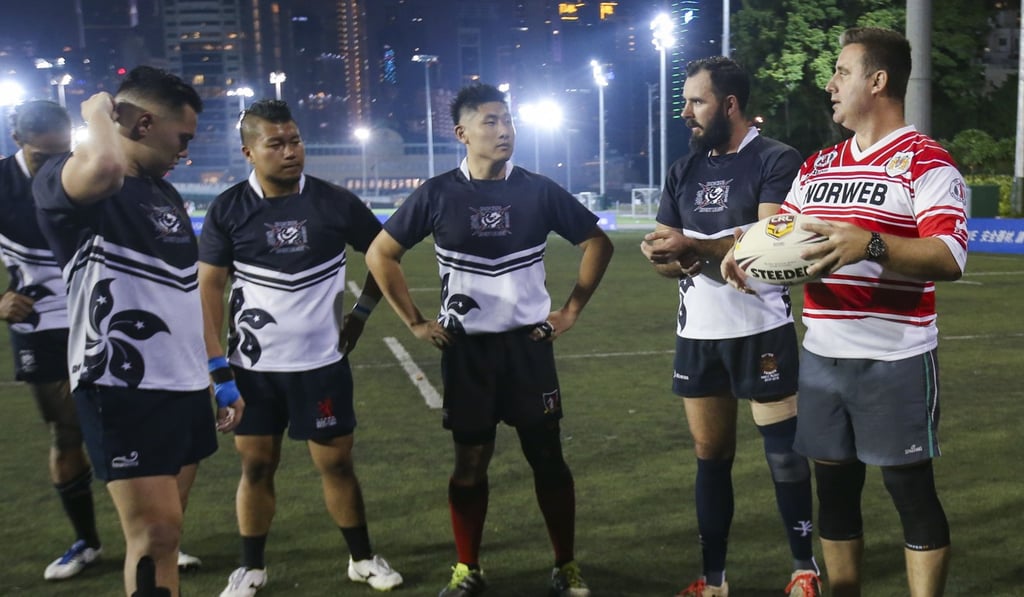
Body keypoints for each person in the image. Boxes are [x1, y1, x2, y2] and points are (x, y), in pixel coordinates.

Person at [722, 27, 967, 596]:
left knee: (911, 493)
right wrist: (744, 249)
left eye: (842, 72)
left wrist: (871, 244)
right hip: (822, 356)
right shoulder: (820, 165)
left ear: (877, 81)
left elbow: (950, 255)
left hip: (896, 356)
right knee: (833, 494)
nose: (830, 84)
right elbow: (780, 232)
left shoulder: (925, 161)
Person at [366, 83, 614, 597]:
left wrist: (570, 311)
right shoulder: (437, 193)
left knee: (547, 458)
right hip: (468, 354)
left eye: (508, 120)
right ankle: (467, 568)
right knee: (470, 463)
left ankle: (565, 566)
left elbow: (597, 242)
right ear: (462, 133)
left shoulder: (538, 190)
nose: (504, 131)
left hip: (528, 349)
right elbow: (380, 254)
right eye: (490, 122)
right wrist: (415, 322)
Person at [33, 66, 243, 596]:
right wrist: (96, 112)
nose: (184, 153)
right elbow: (105, 165)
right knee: (153, 535)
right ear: (144, 123)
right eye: (182, 139)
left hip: (184, 385)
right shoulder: (68, 177)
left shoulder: (164, 194)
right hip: (121, 385)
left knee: (169, 536)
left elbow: (187, 292)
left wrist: (220, 373)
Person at [198, 99, 402, 596]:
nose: (290, 151)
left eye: (295, 141)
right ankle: (250, 568)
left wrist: (361, 313)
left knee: (337, 465)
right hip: (252, 369)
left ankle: (361, 558)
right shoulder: (228, 208)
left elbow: (385, 256)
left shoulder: (335, 202)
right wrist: (219, 369)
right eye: (276, 144)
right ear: (249, 152)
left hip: (322, 365)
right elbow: (209, 289)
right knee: (256, 466)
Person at [640, 57, 820, 597]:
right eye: (686, 101)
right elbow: (666, 250)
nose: (686, 112)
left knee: (783, 454)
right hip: (698, 334)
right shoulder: (683, 169)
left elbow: (770, 243)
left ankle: (804, 570)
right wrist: (668, 255)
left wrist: (691, 245)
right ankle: (714, 580)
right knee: (710, 456)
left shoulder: (775, 158)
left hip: (761, 328)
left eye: (697, 101)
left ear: (730, 105)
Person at [0, 100, 104, 581]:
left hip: (99, 315)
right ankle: (86, 541)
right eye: (43, 156)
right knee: (66, 432)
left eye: (64, 152)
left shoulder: (85, 172)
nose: (54, 166)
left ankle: (155, 535)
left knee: (125, 425)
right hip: (39, 323)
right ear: (17, 142)